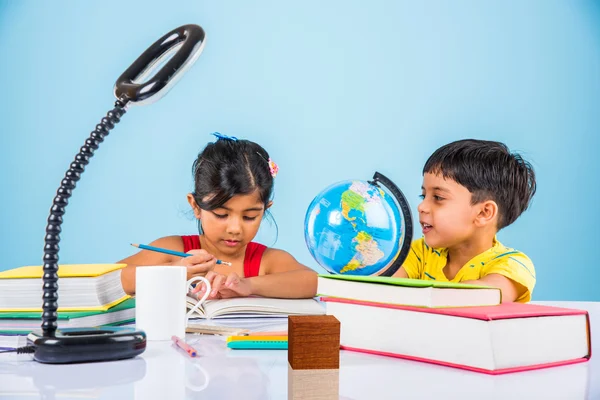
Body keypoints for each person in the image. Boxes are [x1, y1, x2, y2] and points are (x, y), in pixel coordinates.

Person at [119, 132, 317, 299]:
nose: (235, 228)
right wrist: (173, 272)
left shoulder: (266, 261)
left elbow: (312, 281)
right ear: (196, 206)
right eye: (221, 214)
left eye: (249, 217)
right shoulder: (172, 250)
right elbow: (107, 279)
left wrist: (249, 286)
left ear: (265, 210)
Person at [394, 139, 537, 303]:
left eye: (438, 198)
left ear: (484, 213)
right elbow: (379, 286)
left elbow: (479, 298)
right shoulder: (419, 252)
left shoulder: (512, 265)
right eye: (423, 195)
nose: (422, 207)